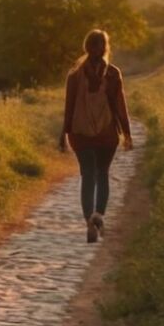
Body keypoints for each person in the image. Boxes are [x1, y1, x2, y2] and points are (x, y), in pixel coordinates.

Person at [60, 29, 134, 243]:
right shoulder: (113, 73)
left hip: (80, 133)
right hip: (106, 133)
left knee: (88, 175)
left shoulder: (74, 75)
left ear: (86, 47)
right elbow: (120, 106)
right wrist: (127, 133)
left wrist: (63, 135)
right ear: (105, 48)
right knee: (102, 174)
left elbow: (69, 108)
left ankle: (89, 222)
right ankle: (98, 215)